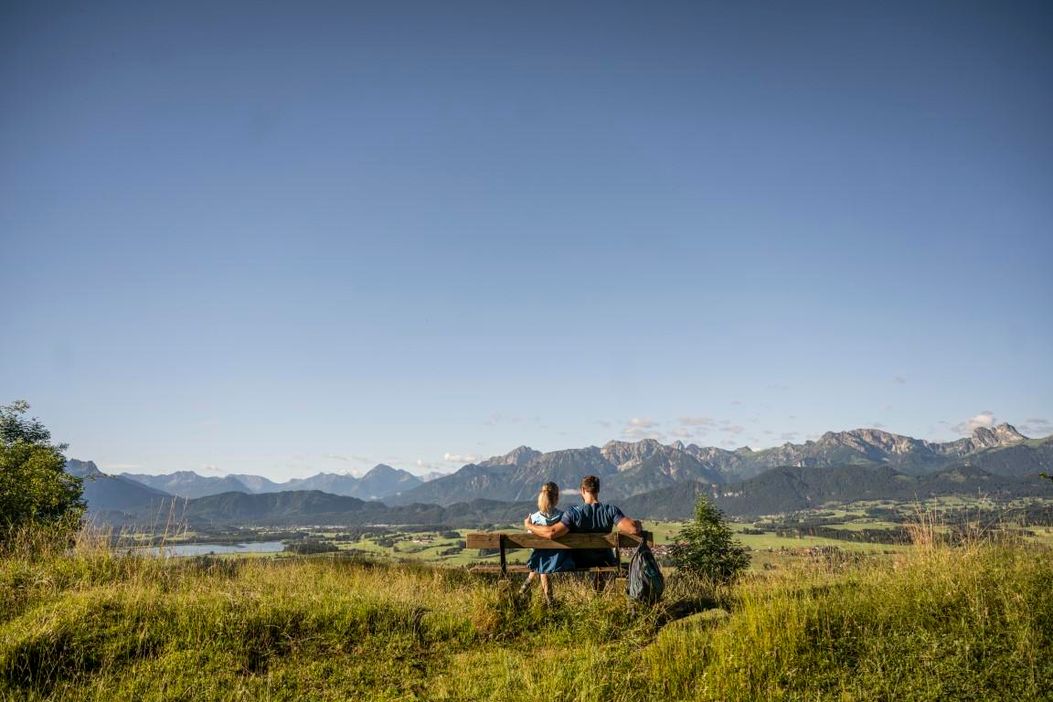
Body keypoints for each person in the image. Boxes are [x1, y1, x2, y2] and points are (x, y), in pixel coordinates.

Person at [523, 475, 642, 572]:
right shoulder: (611, 510)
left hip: (579, 562)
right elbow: (633, 529)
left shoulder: (573, 513)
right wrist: (637, 523)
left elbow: (552, 533)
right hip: (606, 561)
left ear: (583, 490)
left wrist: (529, 525)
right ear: (598, 490)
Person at [519, 481, 571, 604]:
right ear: (557, 498)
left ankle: (528, 586)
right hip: (560, 558)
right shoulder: (564, 517)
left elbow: (531, 544)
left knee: (541, 557)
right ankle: (549, 601)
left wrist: (529, 525)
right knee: (544, 558)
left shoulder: (533, 519)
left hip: (540, 559)